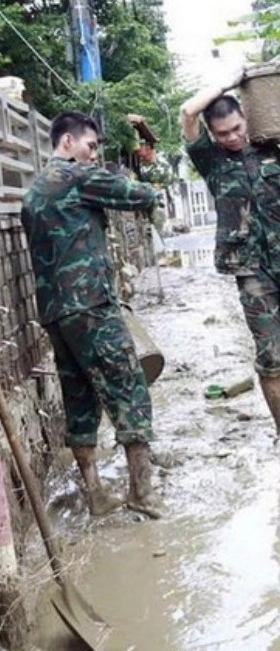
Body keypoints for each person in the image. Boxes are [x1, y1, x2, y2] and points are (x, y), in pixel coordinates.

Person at [21, 112, 166, 518]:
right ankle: (142, 491)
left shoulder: (32, 194)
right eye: (90, 146)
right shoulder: (78, 177)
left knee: (80, 398)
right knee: (130, 390)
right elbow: (138, 195)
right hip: (91, 308)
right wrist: (149, 180)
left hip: (55, 315)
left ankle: (95, 492)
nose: (93, 155)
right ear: (66, 142)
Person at [180, 70, 280, 443]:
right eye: (223, 133)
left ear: (245, 119)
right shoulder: (209, 159)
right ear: (213, 134)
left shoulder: (270, 151)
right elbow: (188, 112)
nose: (233, 137)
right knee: (270, 353)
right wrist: (229, 81)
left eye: (237, 128)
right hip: (251, 268)